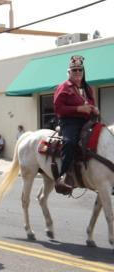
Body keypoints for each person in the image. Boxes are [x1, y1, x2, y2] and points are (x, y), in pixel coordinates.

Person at [53, 55, 99, 194]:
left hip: (87, 121)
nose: (78, 72)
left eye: (80, 70)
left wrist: (94, 108)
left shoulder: (88, 88)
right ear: (69, 72)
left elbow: (91, 103)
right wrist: (78, 109)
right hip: (70, 122)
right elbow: (58, 108)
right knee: (70, 142)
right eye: (74, 70)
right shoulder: (63, 87)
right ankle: (64, 176)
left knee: (102, 139)